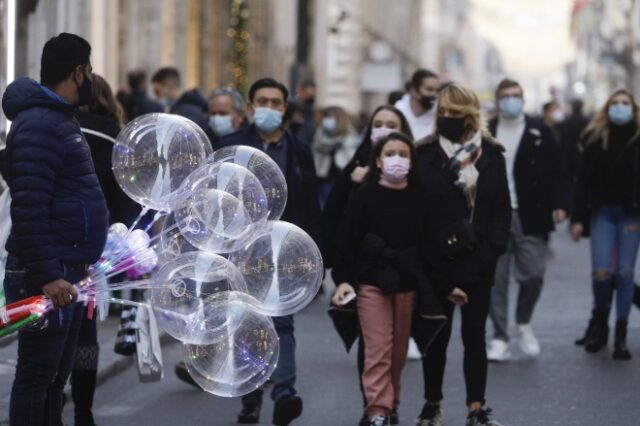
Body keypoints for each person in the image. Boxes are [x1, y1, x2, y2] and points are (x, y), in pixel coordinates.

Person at [0, 33, 109, 426]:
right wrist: (48, 275)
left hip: (68, 269)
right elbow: (29, 205)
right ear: (78, 71)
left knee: (53, 379)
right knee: (36, 377)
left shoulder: (58, 119)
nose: (93, 80)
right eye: (90, 70)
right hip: (48, 274)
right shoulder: (40, 123)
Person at [219, 77, 321, 426]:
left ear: (284, 108)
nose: (269, 108)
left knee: (282, 324)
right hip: (239, 252)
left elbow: (310, 205)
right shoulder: (231, 147)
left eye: (276, 102)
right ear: (250, 107)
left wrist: (311, 253)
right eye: (262, 101)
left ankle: (283, 393)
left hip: (282, 253)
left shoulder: (299, 150)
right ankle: (250, 398)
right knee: (247, 324)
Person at [331, 132, 443, 426]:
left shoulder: (422, 198)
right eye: (390, 153)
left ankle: (391, 406)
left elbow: (432, 246)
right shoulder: (364, 196)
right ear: (378, 161)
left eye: (404, 154)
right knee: (378, 347)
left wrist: (445, 284)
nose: (397, 159)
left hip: (408, 284)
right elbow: (346, 241)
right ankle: (377, 410)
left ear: (411, 161)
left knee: (398, 352)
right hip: (371, 283)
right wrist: (342, 279)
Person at [415, 83, 511, 426]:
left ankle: (476, 408)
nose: (447, 118)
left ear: (469, 115)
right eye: (442, 112)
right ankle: (432, 403)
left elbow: (501, 209)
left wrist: (492, 252)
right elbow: (418, 212)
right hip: (436, 262)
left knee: (475, 337)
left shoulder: (492, 154)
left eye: (455, 113)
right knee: (436, 338)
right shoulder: (423, 153)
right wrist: (433, 261)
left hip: (479, 259)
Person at [486, 79, 570, 362]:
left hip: (531, 213)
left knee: (533, 273)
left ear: (522, 100)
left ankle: (523, 321)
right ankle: (499, 336)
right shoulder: (485, 130)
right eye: (506, 96)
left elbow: (559, 170)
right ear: (498, 100)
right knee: (496, 279)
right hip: (495, 214)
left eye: (516, 96)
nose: (511, 100)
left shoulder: (539, 130)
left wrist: (560, 204)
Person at [72, 73, 138, 426]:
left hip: (49, 244)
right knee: (84, 334)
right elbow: (125, 204)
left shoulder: (56, 128)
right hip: (94, 251)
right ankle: (83, 411)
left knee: (46, 336)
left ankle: (46, 404)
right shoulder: (114, 139)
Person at [571, 89, 640, 360]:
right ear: (607, 108)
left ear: (633, 109)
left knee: (624, 272)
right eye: (615, 103)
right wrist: (577, 219)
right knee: (602, 273)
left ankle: (620, 334)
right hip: (602, 213)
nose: (620, 107)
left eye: (625, 103)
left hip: (632, 215)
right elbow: (582, 182)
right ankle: (600, 318)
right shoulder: (593, 138)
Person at [312, 106, 360, 208]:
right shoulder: (321, 133)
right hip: (322, 177)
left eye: (330, 117)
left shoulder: (350, 136)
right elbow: (316, 149)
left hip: (341, 178)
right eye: (326, 117)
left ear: (339, 118)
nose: (326, 120)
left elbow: (352, 158)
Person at [151, 66, 209, 133]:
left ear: (170, 87)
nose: (156, 98)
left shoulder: (186, 112)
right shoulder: (182, 107)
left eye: (157, 92)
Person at [394, 69, 440, 140]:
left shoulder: (438, 115)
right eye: (429, 89)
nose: (434, 94)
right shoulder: (397, 112)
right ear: (414, 90)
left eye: (437, 91)